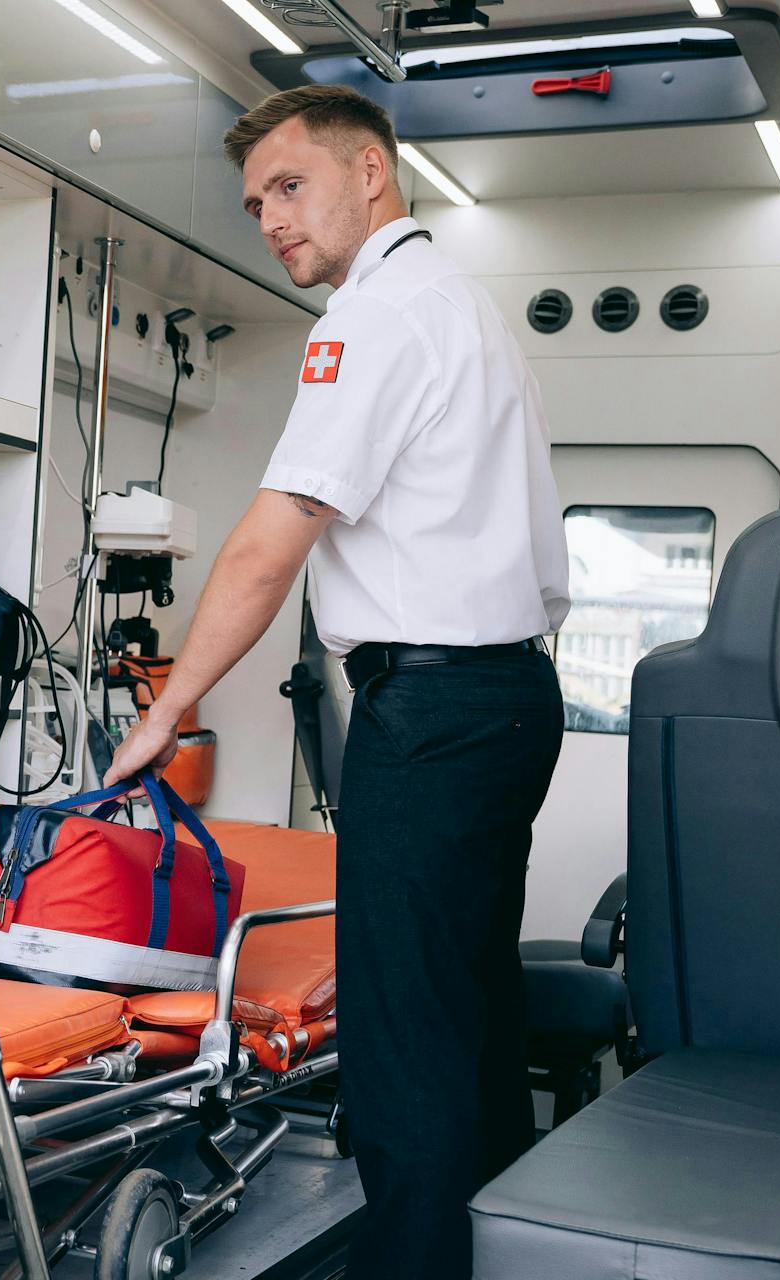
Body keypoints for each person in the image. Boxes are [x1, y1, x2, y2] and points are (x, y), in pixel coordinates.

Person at [104, 85, 569, 1278]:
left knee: (401, 1041)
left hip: (439, 708)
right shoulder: (465, 310)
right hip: (511, 698)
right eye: (256, 200)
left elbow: (273, 538)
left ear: (372, 173)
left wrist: (165, 711)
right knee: (468, 1023)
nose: (270, 217)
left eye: (290, 186)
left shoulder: (374, 316)